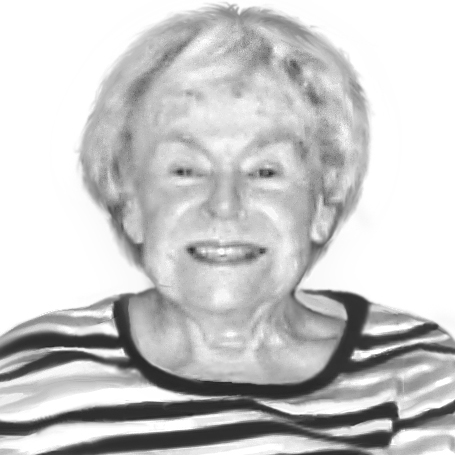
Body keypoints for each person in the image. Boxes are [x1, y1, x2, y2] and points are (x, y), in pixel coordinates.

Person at [0, 3, 454, 454]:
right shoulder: (25, 378)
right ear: (130, 202)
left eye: (265, 171)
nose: (224, 205)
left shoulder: (419, 376)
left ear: (323, 205)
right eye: (185, 170)